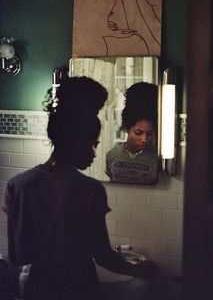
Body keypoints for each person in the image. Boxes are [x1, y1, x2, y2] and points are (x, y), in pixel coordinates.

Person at [3, 76, 164, 300]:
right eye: (94, 144)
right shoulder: (89, 191)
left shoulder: (18, 185)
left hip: (37, 289)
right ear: (79, 141)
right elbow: (103, 256)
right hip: (78, 288)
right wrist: (138, 270)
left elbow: (17, 256)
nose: (95, 153)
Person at [106, 82, 158, 185]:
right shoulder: (111, 155)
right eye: (138, 133)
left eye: (149, 133)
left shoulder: (158, 159)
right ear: (127, 128)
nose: (144, 139)